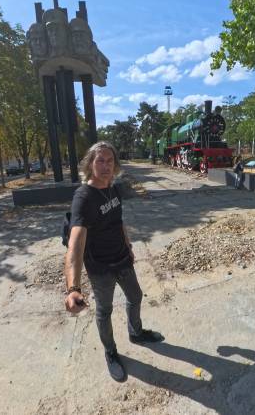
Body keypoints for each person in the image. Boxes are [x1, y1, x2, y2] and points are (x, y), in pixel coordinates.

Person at [64, 141, 163, 382]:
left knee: (135, 296)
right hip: (101, 268)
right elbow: (75, 243)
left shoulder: (113, 189)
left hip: (122, 259)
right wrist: (73, 288)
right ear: (90, 164)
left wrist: (128, 246)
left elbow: (118, 221)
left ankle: (136, 333)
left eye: (110, 161)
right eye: (100, 160)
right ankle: (110, 352)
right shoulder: (83, 197)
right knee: (104, 310)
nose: (106, 166)